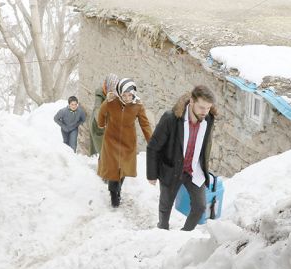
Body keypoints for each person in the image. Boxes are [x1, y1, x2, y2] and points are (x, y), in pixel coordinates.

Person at [146, 85, 217, 231]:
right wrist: (152, 174)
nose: (205, 112)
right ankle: (162, 229)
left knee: (200, 207)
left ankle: (183, 235)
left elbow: (204, 144)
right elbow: (153, 147)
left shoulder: (208, 119)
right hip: (171, 168)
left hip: (193, 170)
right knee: (165, 206)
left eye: (208, 108)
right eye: (202, 107)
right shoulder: (171, 119)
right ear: (191, 102)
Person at [97, 78, 152, 207]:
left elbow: (145, 124)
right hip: (111, 141)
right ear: (119, 93)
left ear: (133, 93)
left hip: (128, 143)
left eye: (130, 95)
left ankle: (117, 189)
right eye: (124, 95)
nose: (127, 98)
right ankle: (113, 195)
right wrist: (106, 102)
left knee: (123, 169)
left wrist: (152, 141)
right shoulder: (111, 101)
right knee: (113, 170)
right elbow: (101, 115)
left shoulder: (138, 105)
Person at [89, 74, 119, 156]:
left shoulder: (115, 92)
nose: (113, 89)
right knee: (103, 150)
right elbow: (97, 109)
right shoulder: (99, 95)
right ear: (107, 85)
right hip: (98, 124)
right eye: (112, 87)